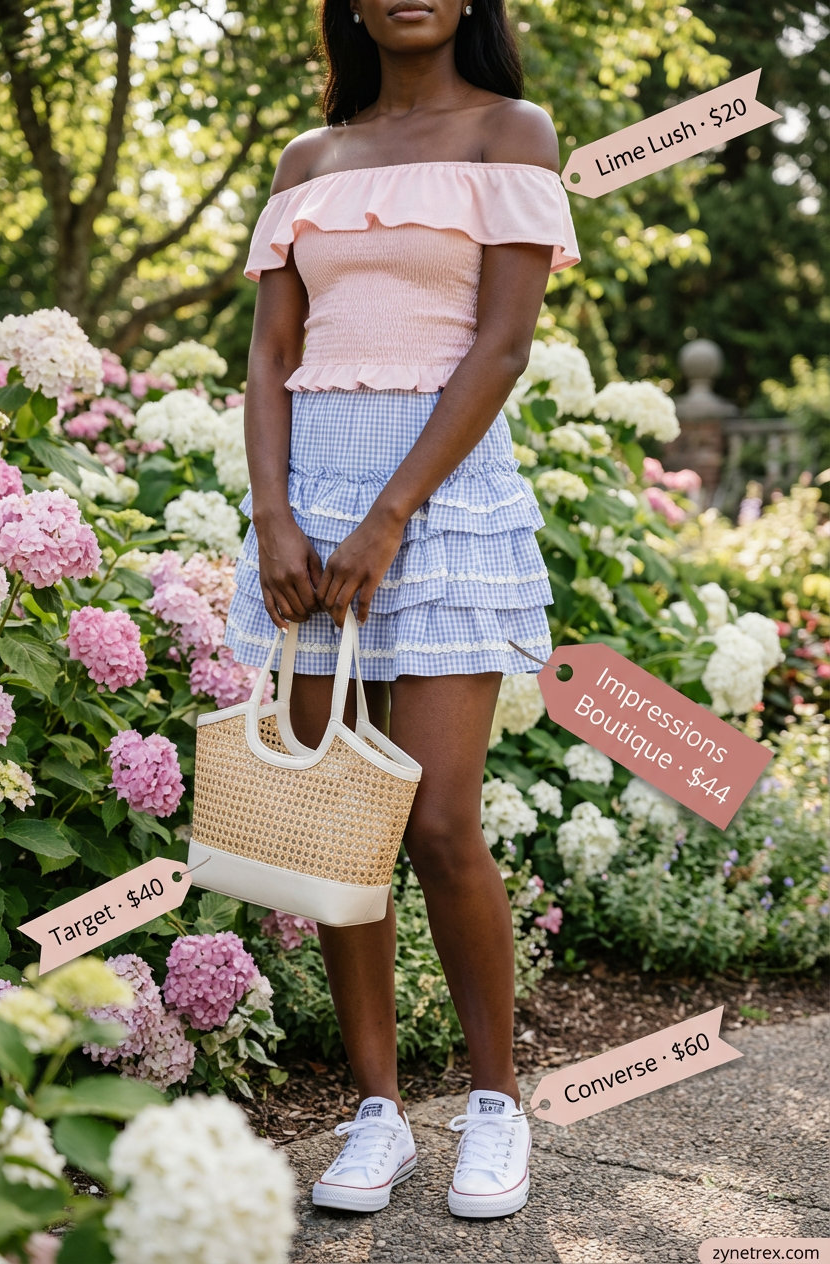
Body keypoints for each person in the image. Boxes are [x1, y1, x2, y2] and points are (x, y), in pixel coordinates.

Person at [224, 0, 580, 1221]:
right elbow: (270, 355)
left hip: (438, 503)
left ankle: (494, 1107)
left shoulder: (510, 134)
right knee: (338, 822)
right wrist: (275, 516)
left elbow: (500, 347)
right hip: (306, 503)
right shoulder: (308, 161)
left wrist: (388, 517)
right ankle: (374, 1112)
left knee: (438, 818)